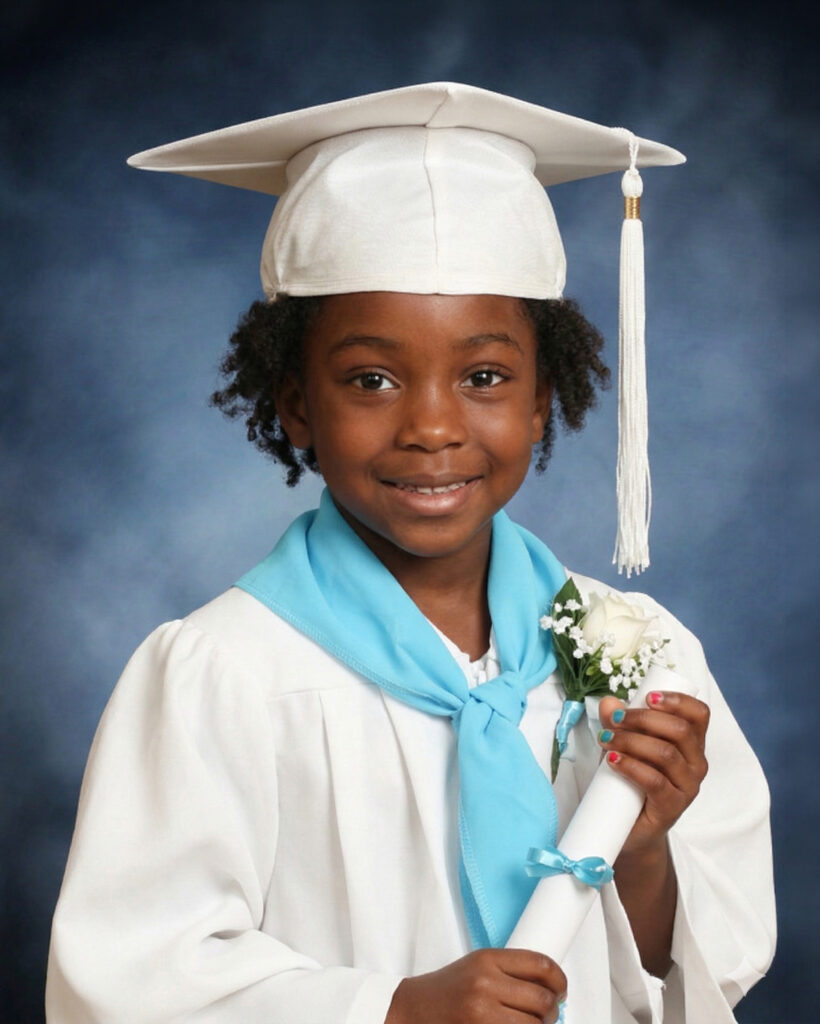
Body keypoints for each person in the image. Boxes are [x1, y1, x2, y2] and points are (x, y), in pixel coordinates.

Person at [46, 83, 775, 1023]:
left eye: (484, 376)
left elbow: (707, 972)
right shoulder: (224, 674)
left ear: (543, 399)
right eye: (372, 380)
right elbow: (129, 981)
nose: (432, 427)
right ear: (295, 404)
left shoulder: (641, 655)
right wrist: (388, 1010)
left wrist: (640, 847)